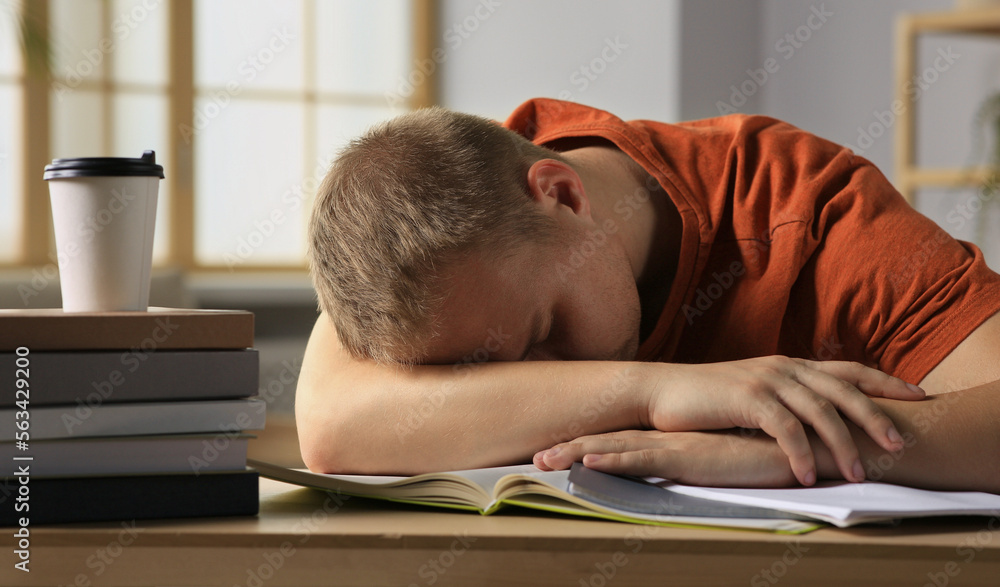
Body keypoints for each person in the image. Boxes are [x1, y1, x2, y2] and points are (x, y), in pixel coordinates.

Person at [296, 97, 1000, 493]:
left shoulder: (809, 210)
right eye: (486, 369)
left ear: (563, 194)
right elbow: (329, 424)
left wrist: (797, 440)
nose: (549, 376)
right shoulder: (431, 245)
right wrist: (662, 392)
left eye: (546, 327)